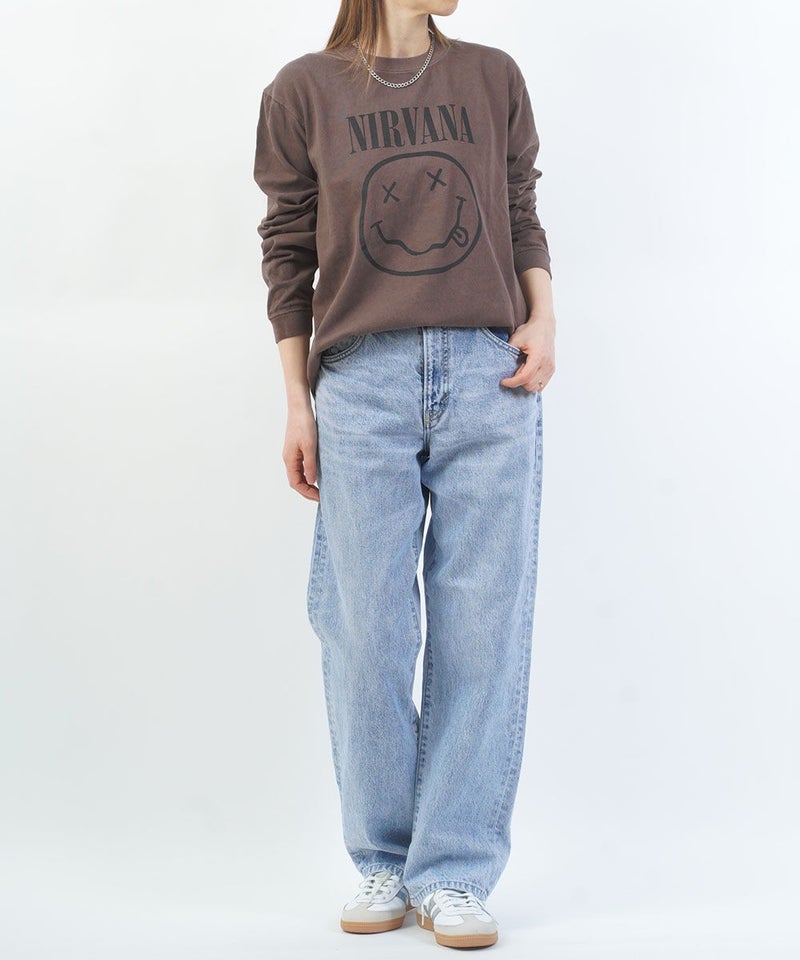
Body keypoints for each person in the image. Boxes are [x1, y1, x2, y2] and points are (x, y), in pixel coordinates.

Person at [253, 0, 556, 949]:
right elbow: (287, 250)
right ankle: (383, 857)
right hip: (361, 381)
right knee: (365, 628)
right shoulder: (303, 91)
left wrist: (544, 319)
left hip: (487, 373)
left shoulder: (492, 75)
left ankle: (455, 870)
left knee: (482, 628)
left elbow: (518, 209)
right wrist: (298, 400)